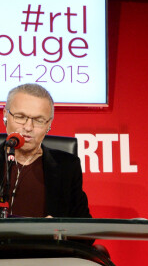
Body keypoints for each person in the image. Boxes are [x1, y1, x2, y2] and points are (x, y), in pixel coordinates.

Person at [0, 83, 90, 218]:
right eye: (20, 117)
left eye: (39, 120)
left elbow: (85, 231)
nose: (28, 127)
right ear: (5, 116)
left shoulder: (67, 167)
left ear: (49, 124)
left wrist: (56, 228)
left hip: (45, 240)